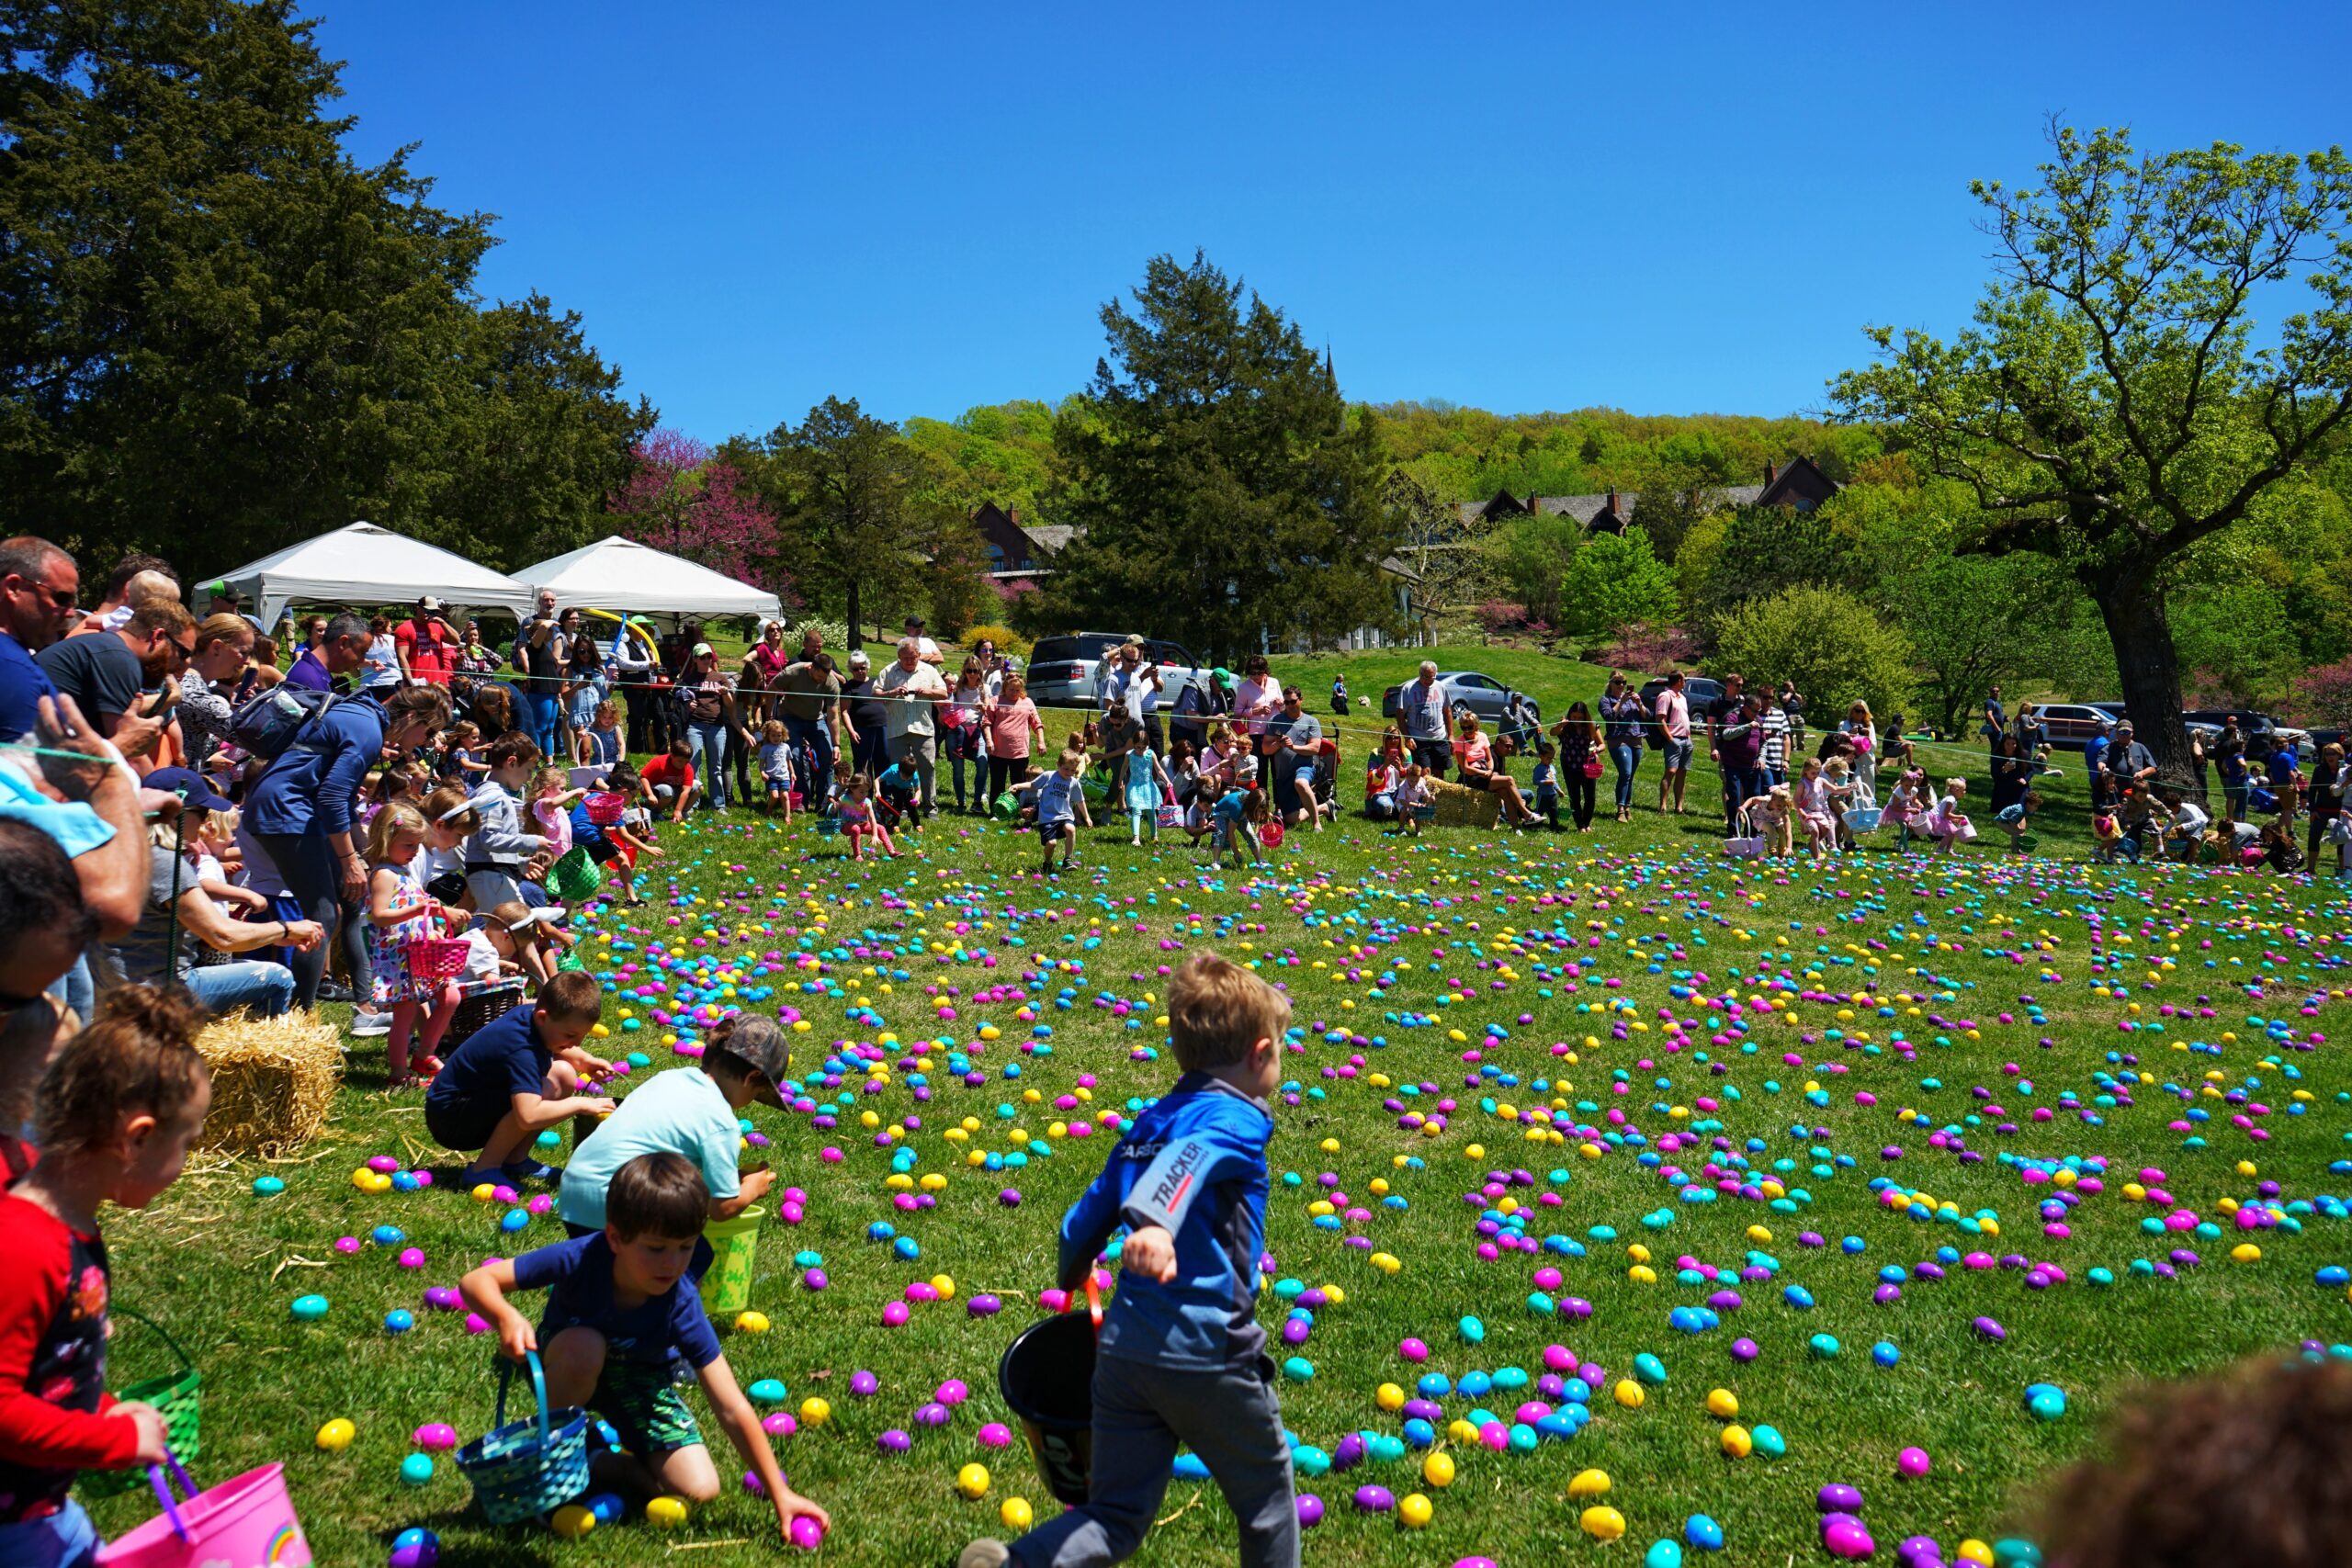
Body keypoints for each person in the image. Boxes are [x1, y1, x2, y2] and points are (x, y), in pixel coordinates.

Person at [958, 953, 1294, 1568]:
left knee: (1115, 1514)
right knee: (1268, 1508)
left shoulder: (1146, 1124)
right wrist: (1158, 1225)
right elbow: (1188, 1159)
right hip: (1208, 1354)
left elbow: (1080, 1223)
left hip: (1125, 1354)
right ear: (1260, 1051)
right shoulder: (1236, 1117)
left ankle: (1017, 1565)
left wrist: (1072, 1272)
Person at [462, 1153, 829, 1542]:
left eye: (686, 1247)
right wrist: (507, 1318)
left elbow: (731, 1405)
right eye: (656, 1249)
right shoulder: (582, 1258)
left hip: (641, 1379)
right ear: (615, 1238)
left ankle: (605, 1462)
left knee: (700, 1490)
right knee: (586, 1347)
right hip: (571, 1358)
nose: (672, 1264)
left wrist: (780, 1494)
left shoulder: (681, 1302)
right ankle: (551, 1460)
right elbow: (477, 1281)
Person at [0, 987, 207, 1563]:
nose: (185, 1162)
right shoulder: (23, 1246)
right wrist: (109, 1439)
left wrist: (102, 1406)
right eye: (185, 1142)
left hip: (39, 1507)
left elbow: (46, 1369)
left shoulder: (72, 1226)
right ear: (138, 1138)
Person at [245, 621, 449, 1012]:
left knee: (348, 901)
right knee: (321, 914)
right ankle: (295, 1017)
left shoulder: (361, 714)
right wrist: (349, 860)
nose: (421, 745)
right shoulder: (368, 730)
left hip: (291, 808)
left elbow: (334, 800)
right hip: (284, 811)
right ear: (412, 720)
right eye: (426, 735)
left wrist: (362, 851)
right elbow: (333, 797)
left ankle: (360, 999)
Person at [111, 771, 320, 1019]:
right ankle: (260, 1054)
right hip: (160, 991)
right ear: (177, 814)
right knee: (278, 976)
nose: (203, 823)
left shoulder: (119, 854)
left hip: (113, 987)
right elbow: (222, 936)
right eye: (201, 814)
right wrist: (286, 929)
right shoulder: (167, 864)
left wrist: (268, 937)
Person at [558, 1016, 788, 1236]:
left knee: (598, 1266)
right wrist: (753, 1188)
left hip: (575, 1186)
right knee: (695, 1257)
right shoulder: (722, 1123)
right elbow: (722, 1208)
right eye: (757, 1093)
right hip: (615, 1204)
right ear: (751, 1077)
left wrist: (728, 1178)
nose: (752, 1100)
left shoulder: (668, 1078)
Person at [424, 968, 613, 1185]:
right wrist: (580, 1104)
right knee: (544, 1091)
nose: (577, 1043)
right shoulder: (523, 1049)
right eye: (570, 1035)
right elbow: (528, 1116)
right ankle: (484, 1169)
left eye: (582, 1036)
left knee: (563, 1074)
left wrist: (584, 1061)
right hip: (451, 1118)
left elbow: (555, 1047)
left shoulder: (533, 1018)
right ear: (543, 1017)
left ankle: (515, 1159)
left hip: (468, 1102)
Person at [362, 801, 463, 1089]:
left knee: (450, 997)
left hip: (419, 951)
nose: (414, 852)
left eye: (417, 845)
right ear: (386, 840)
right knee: (404, 1015)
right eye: (408, 845)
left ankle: (425, 1054)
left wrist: (436, 919)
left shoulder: (404, 872)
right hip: (399, 957)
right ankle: (397, 1073)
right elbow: (379, 916)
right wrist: (420, 911)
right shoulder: (384, 874)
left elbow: (416, 907)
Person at [34, 598, 192, 760]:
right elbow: (122, 751)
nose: (185, 664)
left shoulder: (111, 649)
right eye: (184, 653)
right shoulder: (119, 659)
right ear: (157, 637)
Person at [0, 537, 84, 745]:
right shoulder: (13, 671)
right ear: (14, 587)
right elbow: (28, 771)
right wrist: (123, 743)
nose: (70, 612)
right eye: (62, 598)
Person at [462, 734, 551, 911]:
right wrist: (531, 842)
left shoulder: (497, 794)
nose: (529, 777)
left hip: (495, 872)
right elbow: (489, 839)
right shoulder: (492, 796)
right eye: (529, 770)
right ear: (511, 763)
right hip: (490, 874)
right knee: (515, 929)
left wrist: (518, 862)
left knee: (511, 929)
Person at [875, 637, 949, 814]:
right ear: (899, 655)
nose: (909, 661)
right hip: (897, 727)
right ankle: (902, 806)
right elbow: (875, 693)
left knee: (927, 767)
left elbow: (944, 692)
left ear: (918, 654)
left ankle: (930, 807)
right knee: (899, 770)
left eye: (913, 657)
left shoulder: (929, 670)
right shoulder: (888, 671)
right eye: (905, 658)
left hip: (923, 727)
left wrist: (928, 692)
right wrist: (891, 692)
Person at [174, 614, 255, 772]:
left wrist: (232, 710)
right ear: (217, 647)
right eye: (243, 652)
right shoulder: (195, 695)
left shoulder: (192, 687)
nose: (247, 661)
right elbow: (253, 739)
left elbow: (199, 748)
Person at [675, 643, 738, 811]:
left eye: (709, 657)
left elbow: (730, 705)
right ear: (695, 659)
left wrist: (725, 694)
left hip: (717, 726)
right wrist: (688, 703)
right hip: (695, 725)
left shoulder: (720, 678)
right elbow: (678, 696)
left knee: (715, 767)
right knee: (693, 766)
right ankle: (692, 805)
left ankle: (718, 805)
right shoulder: (688, 679)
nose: (706, 660)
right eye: (702, 657)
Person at [1452, 712, 1534, 829]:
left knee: (1505, 792)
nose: (1466, 731)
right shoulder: (1460, 743)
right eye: (1463, 728)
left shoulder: (1483, 737)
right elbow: (1465, 769)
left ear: (1476, 725)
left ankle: (1516, 829)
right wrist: (1482, 772)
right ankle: (1527, 814)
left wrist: (1490, 770)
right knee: (1509, 780)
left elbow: (1489, 759)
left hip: (1485, 774)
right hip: (1471, 778)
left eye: (1470, 727)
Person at [982, 671, 1045, 808]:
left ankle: (1018, 810)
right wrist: (989, 740)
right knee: (997, 783)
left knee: (1019, 783)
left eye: (1017, 690)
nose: (1014, 693)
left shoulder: (1027, 702)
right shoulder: (995, 701)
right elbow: (986, 723)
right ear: (1005, 687)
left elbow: (1037, 724)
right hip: (998, 751)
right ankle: (996, 811)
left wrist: (1041, 741)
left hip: (1019, 752)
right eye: (1011, 689)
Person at [1268, 689, 1323, 832]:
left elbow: (1315, 748)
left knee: (1301, 783)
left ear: (1301, 700)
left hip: (1304, 767)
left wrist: (1293, 747)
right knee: (1291, 819)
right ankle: (1324, 807)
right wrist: (1278, 744)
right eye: (1286, 702)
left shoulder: (1311, 721)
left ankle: (1316, 823)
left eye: (1293, 701)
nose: (1290, 705)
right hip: (1283, 774)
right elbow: (1265, 749)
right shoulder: (1276, 720)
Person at [944, 657, 990, 814]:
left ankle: (977, 802)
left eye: (975, 670)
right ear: (964, 671)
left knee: (983, 764)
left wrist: (983, 708)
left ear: (980, 672)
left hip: (978, 730)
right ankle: (961, 802)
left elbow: (990, 711)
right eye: (969, 670)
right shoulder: (957, 688)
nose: (971, 674)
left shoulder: (985, 689)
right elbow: (948, 707)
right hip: (957, 730)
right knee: (958, 769)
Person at [1598, 673, 1644, 824]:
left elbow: (1647, 715)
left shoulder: (1632, 699)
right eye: (1618, 682)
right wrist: (1621, 701)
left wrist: (1639, 704)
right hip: (1618, 740)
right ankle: (1620, 810)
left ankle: (1627, 807)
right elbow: (1609, 717)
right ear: (1610, 683)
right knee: (1625, 772)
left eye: (1624, 682)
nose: (1622, 685)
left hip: (1636, 739)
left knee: (1630, 776)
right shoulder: (1606, 700)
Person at [1552, 701, 1600, 831]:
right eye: (1574, 717)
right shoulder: (1566, 726)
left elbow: (1602, 744)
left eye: (1580, 717)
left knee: (1590, 796)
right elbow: (1552, 732)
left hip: (1588, 765)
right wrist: (1562, 725)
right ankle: (1580, 825)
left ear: (1585, 717)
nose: (1577, 720)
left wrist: (1596, 749)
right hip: (1569, 764)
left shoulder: (1591, 726)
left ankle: (1587, 823)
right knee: (1575, 796)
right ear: (1570, 715)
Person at [1035, 750, 1087, 874]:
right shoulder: (1049, 776)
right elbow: (1033, 785)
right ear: (1058, 764)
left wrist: (1087, 817)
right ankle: (1047, 862)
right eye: (1066, 769)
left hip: (1065, 815)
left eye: (1073, 770)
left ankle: (1067, 860)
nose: (1069, 773)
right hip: (1047, 817)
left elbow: (1080, 801)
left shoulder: (1074, 782)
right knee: (1051, 843)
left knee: (1070, 829)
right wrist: (1018, 786)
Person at [1120, 729, 1174, 847]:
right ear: (1134, 745)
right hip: (1134, 786)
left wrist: (1168, 781)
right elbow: (1124, 767)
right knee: (1136, 810)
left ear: (1147, 745)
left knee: (1151, 811)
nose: (1140, 750)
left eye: (1143, 748)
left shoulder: (1150, 754)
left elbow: (1159, 769)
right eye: (1138, 747)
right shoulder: (1129, 755)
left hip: (1148, 786)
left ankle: (1154, 835)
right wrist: (1120, 780)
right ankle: (1136, 837)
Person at [842, 650, 887, 778]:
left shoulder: (876, 682)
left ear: (867, 667)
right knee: (863, 764)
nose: (860, 671)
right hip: (861, 730)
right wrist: (851, 731)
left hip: (882, 727)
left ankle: (884, 796)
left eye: (863, 668)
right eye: (856, 669)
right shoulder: (848, 687)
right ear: (851, 669)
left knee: (883, 760)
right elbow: (844, 712)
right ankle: (864, 795)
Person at [393, 596, 458, 686]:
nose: (429, 614)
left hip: (440, 683)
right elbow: (402, 657)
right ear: (418, 609)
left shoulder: (437, 625)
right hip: (418, 683)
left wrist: (443, 622)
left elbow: (456, 641)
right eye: (427, 610)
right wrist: (409, 680)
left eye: (433, 612)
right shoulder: (404, 628)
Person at [1654, 671, 1692, 814]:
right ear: (1678, 681)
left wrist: (1689, 738)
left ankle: (1679, 807)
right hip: (1673, 739)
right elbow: (1660, 719)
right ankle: (1662, 806)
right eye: (1684, 679)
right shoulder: (1665, 696)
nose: (1685, 681)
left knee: (1682, 773)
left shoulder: (1682, 697)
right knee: (1671, 771)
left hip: (1686, 739)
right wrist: (1670, 739)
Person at [836, 773, 899, 862]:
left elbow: (872, 819)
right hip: (846, 826)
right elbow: (834, 807)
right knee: (855, 828)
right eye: (861, 791)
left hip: (863, 825)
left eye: (867, 791)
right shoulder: (845, 798)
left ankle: (892, 851)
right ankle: (857, 855)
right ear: (852, 788)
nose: (865, 794)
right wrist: (834, 808)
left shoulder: (867, 802)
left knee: (880, 828)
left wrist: (875, 835)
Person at [639, 739, 697, 823]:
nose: (683, 764)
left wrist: (678, 810)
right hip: (656, 794)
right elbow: (643, 777)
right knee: (666, 790)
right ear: (671, 755)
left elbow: (685, 792)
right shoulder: (659, 761)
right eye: (680, 761)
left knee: (698, 786)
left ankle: (683, 812)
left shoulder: (687, 768)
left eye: (687, 761)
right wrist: (650, 795)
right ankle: (656, 812)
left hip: (673, 793)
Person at [2304, 741, 2344, 869]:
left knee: (2342, 839)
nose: (2329, 756)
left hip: (2341, 810)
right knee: (2314, 837)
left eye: (2333, 754)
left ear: (2339, 755)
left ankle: (2342, 869)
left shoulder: (2346, 770)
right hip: (2321, 810)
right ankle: (2310, 869)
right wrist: (2312, 810)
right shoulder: (2319, 769)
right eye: (2327, 754)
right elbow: (2312, 790)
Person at [1838, 700, 1880, 797]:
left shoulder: (1869, 725)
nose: (1860, 713)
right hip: (1850, 762)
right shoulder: (1844, 724)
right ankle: (1851, 810)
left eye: (1863, 711)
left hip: (1867, 761)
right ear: (1852, 711)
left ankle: (1868, 810)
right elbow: (1839, 745)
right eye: (1857, 710)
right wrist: (1850, 733)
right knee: (1851, 789)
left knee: (1868, 791)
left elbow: (1873, 747)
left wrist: (1867, 737)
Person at [756, 720, 796, 818]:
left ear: (783, 734)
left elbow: (789, 761)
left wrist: (792, 773)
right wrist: (762, 773)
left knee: (785, 796)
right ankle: (769, 809)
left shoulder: (786, 747)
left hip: (784, 777)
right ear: (768, 735)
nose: (776, 738)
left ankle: (787, 816)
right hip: (771, 777)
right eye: (773, 735)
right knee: (774, 796)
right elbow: (761, 764)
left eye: (779, 735)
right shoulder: (765, 748)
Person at [360, 615, 403, 698]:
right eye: (390, 627)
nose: (391, 629)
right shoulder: (394, 640)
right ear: (385, 627)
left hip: (368, 684)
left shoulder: (365, 641)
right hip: (392, 682)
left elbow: (356, 662)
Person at [1996, 789, 2044, 853]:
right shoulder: (2020, 811)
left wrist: (2019, 829)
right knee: (2016, 833)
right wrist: (2017, 829)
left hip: (2006, 821)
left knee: (2019, 833)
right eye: (2035, 806)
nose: (2036, 808)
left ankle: (2017, 849)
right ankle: (2014, 850)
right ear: (2028, 804)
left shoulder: (2023, 809)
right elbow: (2011, 821)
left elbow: (2015, 820)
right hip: (2002, 821)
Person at [1981, 684, 2007, 753]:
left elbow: (1997, 715)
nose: (1995, 692)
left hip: (1999, 729)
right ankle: (1994, 763)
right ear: (1990, 692)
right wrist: (1997, 728)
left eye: (1997, 691)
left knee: (1999, 749)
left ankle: (1997, 763)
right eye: (1993, 691)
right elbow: (1989, 715)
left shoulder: (1997, 703)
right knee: (1997, 749)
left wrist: (2005, 718)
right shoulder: (1989, 702)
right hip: (1994, 730)